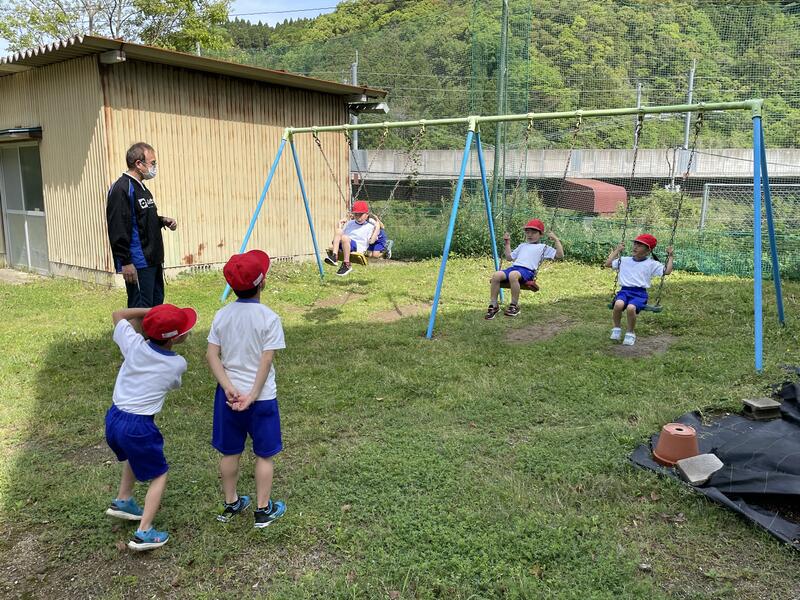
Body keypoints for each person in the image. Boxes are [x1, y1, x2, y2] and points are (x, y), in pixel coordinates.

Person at [104, 302, 197, 551]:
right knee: (160, 473)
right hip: (139, 426)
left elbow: (118, 314)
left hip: (114, 418)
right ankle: (144, 531)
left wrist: (150, 313)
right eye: (184, 330)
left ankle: (123, 500)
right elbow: (174, 384)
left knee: (133, 456)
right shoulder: (177, 364)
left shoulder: (133, 345)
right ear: (174, 339)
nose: (188, 331)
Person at [207, 249, 287, 528]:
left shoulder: (222, 315)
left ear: (231, 286)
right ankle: (263, 510)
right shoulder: (269, 318)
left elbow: (212, 355)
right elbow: (266, 360)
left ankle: (231, 503)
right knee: (264, 454)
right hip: (261, 399)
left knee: (230, 452)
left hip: (228, 398)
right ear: (262, 282)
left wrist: (228, 387)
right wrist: (252, 395)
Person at [106, 142, 178, 308]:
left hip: (153, 259)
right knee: (140, 311)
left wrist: (162, 220)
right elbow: (117, 227)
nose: (154, 167)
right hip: (138, 263)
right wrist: (126, 262)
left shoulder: (142, 188)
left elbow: (141, 219)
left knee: (155, 308)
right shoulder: (122, 188)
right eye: (152, 163)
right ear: (139, 164)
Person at [485, 219, 564, 319]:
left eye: (533, 232)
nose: (530, 235)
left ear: (541, 234)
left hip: (527, 271)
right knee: (496, 275)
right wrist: (507, 243)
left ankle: (514, 305)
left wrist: (556, 240)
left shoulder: (543, 247)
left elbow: (559, 255)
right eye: (528, 232)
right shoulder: (522, 246)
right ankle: (494, 305)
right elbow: (509, 257)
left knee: (513, 275)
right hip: (514, 268)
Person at [605, 233, 674, 346]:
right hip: (624, 291)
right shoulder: (624, 260)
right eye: (635, 244)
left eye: (640, 245)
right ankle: (616, 328)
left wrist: (670, 256)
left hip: (639, 294)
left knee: (631, 308)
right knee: (618, 304)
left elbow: (667, 271)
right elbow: (607, 264)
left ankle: (630, 333)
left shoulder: (651, 264)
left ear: (648, 251)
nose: (635, 247)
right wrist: (617, 250)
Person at [324, 200, 380, 276]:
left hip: (357, 247)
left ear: (367, 215)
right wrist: (340, 225)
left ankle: (347, 264)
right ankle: (334, 257)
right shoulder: (350, 223)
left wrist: (377, 228)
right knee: (339, 231)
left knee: (345, 238)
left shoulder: (370, 226)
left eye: (361, 214)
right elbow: (340, 234)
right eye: (356, 214)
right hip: (344, 244)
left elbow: (371, 242)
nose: (358, 216)